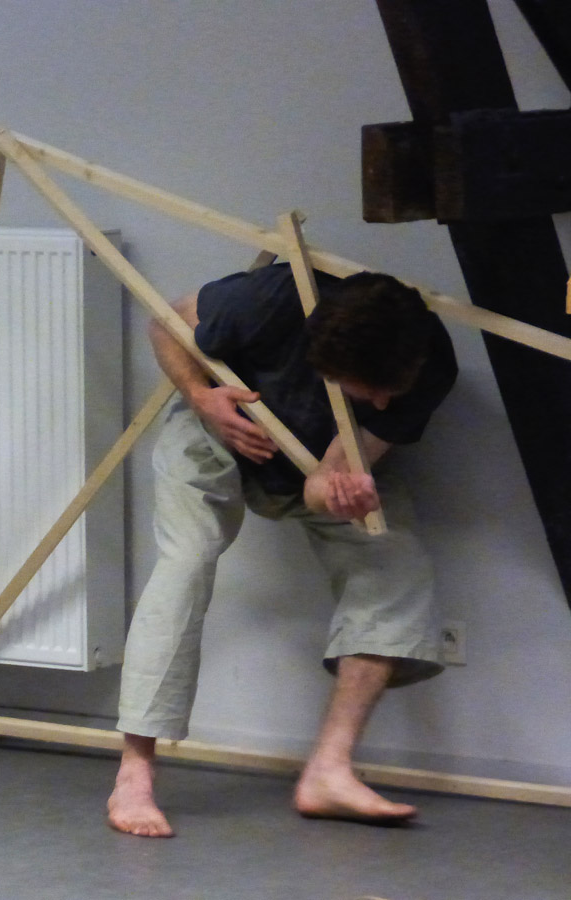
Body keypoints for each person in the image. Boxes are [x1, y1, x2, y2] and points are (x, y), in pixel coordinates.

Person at [107, 262, 457, 838]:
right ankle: (134, 775)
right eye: (368, 389)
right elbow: (164, 324)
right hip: (215, 431)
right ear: (328, 369)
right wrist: (200, 396)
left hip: (316, 456)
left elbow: (325, 481)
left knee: (394, 566)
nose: (382, 403)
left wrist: (337, 493)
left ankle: (328, 772)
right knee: (187, 561)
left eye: (391, 390)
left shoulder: (430, 361)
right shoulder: (269, 299)